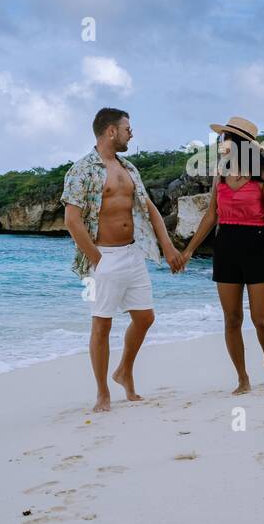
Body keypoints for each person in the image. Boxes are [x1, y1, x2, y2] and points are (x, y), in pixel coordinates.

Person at [62, 108, 183, 412]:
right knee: (102, 326)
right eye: (128, 128)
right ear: (111, 132)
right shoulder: (82, 170)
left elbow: (149, 207)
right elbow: (72, 221)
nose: (132, 133)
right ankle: (103, 393)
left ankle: (124, 371)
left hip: (132, 253)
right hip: (105, 256)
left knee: (145, 318)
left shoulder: (128, 168)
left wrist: (167, 247)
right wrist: (97, 260)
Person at [180, 115, 264, 394]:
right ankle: (242, 378)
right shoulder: (220, 174)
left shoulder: (263, 174)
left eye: (225, 138)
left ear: (238, 143)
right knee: (232, 318)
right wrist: (189, 249)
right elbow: (211, 215)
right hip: (226, 244)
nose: (220, 143)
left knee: (260, 319)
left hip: (258, 243)